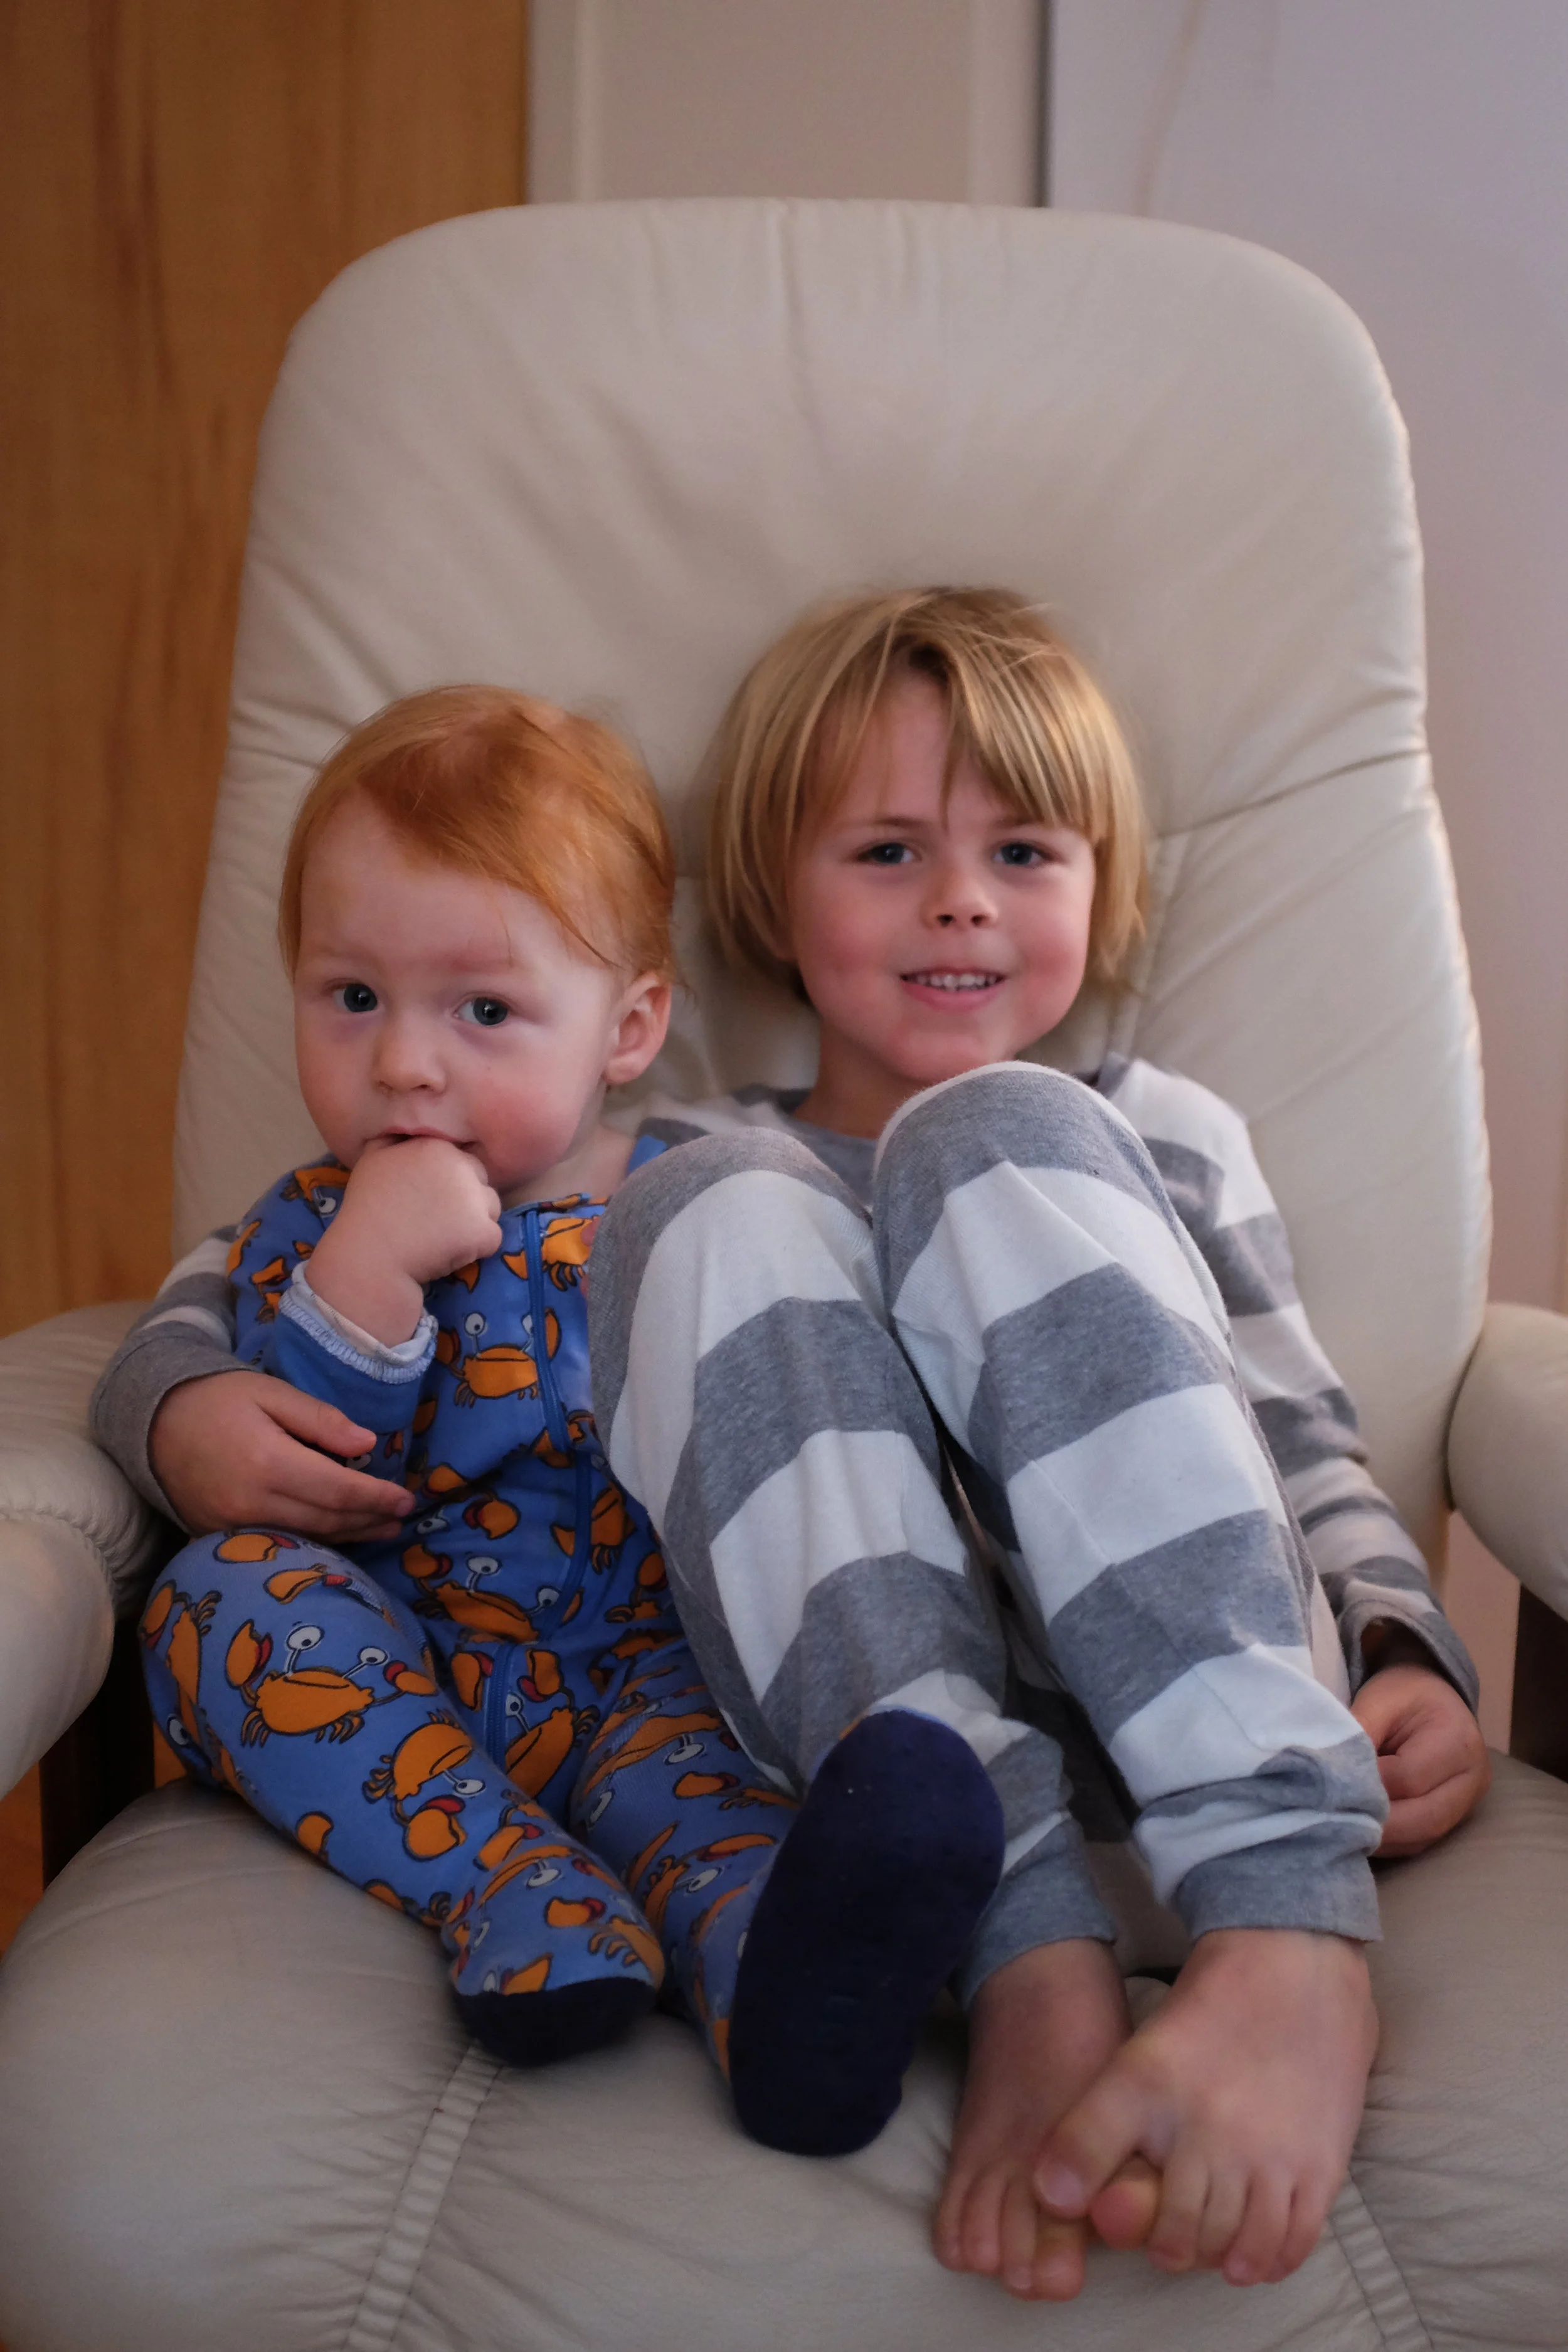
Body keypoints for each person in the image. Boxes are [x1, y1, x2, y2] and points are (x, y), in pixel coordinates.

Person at [582, 587, 1491, 2301]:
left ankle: (1285, 1932)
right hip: (894, 1823)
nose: (959, 898)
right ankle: (1026, 1957)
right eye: (885, 852)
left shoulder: (1155, 1133)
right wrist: (182, 1390)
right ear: (770, 887)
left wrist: (1401, 1638)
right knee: (693, 1205)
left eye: (1021, 851)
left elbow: (1298, 1437)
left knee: (994, 1131)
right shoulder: (669, 1159)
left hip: (1207, 1742)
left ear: (1099, 887)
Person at [96, 684, 845, 2075]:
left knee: (731, 1802)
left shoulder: (699, 1203)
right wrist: (361, 1276)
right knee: (210, 1601)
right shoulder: (295, 1227)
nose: (402, 1064)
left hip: (652, 1673)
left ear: (626, 1029)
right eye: (353, 997)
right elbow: (279, 1451)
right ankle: (513, 1889)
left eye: (485, 1009)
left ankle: (776, 1970)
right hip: (397, 1678)